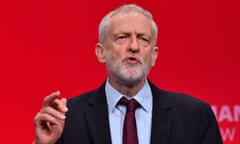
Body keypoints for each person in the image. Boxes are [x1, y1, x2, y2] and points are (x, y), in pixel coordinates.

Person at [33, 4, 223, 144]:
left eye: (143, 39)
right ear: (101, 52)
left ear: (154, 56)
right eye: (122, 37)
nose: (133, 46)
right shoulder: (67, 119)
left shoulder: (194, 116)